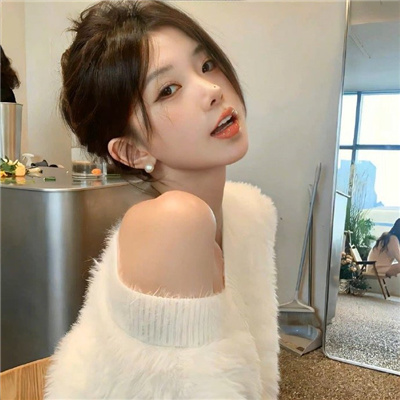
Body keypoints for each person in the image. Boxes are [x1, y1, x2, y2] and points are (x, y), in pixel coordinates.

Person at [45, 1, 279, 398]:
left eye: (206, 65)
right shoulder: (175, 220)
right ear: (132, 151)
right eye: (168, 90)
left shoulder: (243, 210)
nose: (213, 90)